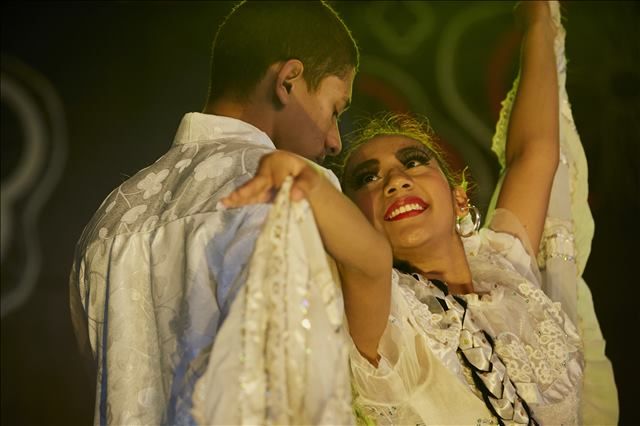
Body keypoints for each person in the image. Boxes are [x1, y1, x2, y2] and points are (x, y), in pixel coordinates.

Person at [221, 1, 617, 424]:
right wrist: (305, 178)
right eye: (367, 179)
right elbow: (369, 263)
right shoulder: (383, 312)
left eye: (412, 162)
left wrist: (538, 19)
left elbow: (534, 151)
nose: (393, 180)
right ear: (357, 219)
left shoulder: (505, 271)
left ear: (458, 199)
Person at [68, 1, 358, 425]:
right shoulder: (297, 191)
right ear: (289, 81)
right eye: (335, 109)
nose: (335, 141)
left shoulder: (107, 221)